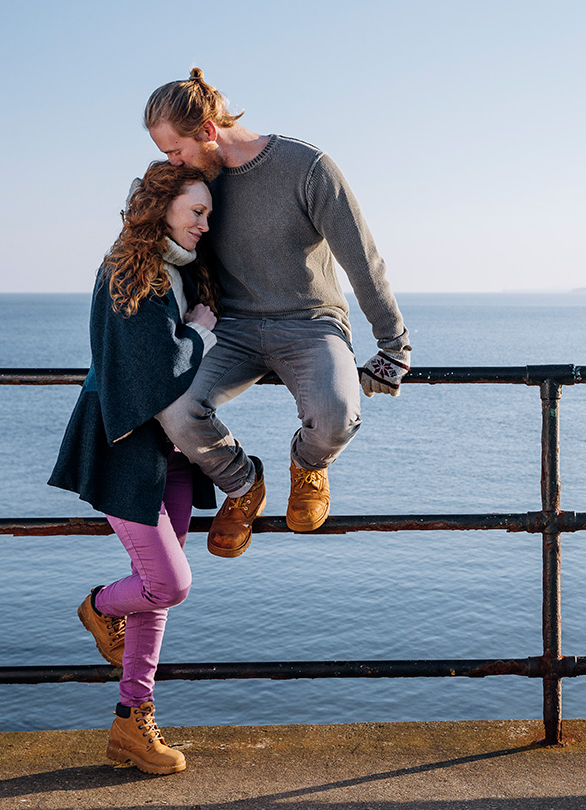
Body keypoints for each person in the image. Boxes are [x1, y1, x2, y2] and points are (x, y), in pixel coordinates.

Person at [143, 68, 411, 558]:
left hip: (311, 322)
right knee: (175, 408)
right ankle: (244, 486)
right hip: (233, 330)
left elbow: (362, 258)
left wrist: (394, 346)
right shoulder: (198, 184)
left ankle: (308, 465)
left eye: (174, 150)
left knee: (336, 416)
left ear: (207, 131)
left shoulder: (307, 167)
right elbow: (156, 242)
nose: (171, 162)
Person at [49, 162, 221, 775]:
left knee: (156, 599)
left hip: (170, 452)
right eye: (195, 211)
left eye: (208, 213)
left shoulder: (180, 269)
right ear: (162, 205)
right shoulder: (132, 267)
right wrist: (199, 333)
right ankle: (97, 606)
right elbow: (158, 365)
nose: (205, 223)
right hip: (126, 447)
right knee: (168, 583)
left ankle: (132, 723)